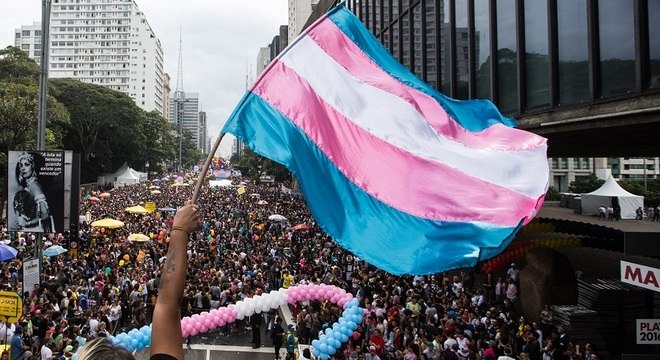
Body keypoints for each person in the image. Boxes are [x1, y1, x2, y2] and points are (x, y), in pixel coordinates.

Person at [11, 151, 54, 232]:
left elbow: (45, 215)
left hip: (35, 228)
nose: (23, 168)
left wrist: (28, 223)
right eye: (21, 165)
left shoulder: (34, 186)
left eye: (27, 164)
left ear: (33, 167)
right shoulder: (29, 186)